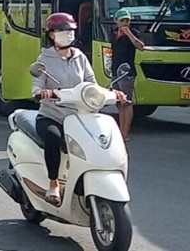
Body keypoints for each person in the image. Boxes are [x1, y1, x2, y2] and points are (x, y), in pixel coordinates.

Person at [32, 12, 126, 205]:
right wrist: (42, 92)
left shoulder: (80, 57)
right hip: (52, 115)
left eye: (70, 31)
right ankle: (54, 184)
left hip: (79, 115)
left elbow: (91, 84)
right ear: (51, 34)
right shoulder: (44, 59)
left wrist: (113, 93)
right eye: (62, 31)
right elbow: (37, 83)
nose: (67, 34)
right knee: (54, 137)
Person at [112, 8, 145, 142]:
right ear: (116, 21)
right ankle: (120, 130)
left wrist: (129, 33)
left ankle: (125, 134)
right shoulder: (114, 34)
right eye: (122, 20)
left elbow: (141, 46)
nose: (125, 23)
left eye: (127, 20)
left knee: (127, 102)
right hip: (116, 71)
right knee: (119, 102)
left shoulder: (133, 33)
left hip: (127, 71)